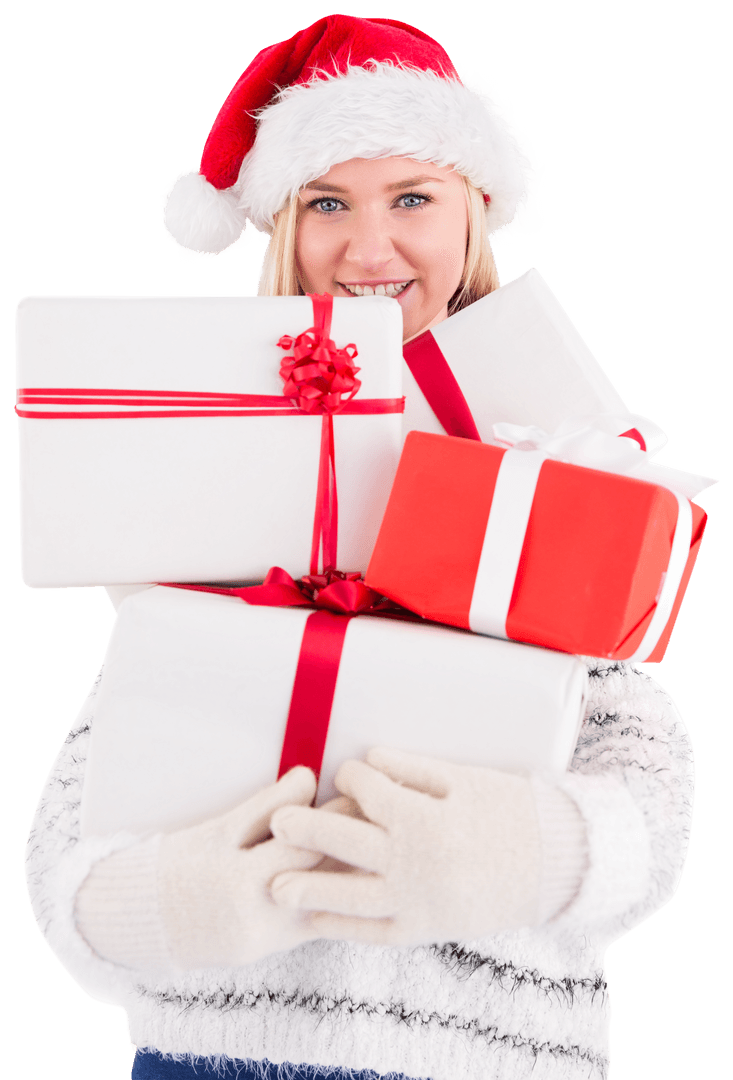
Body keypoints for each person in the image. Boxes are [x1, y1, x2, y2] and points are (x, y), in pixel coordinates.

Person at [24, 15, 695, 1080]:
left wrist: (532, 851)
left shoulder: (549, 446)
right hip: (211, 1054)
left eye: (411, 199)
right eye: (328, 202)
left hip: (495, 1054)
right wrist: (163, 903)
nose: (368, 248)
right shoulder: (199, 466)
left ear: (476, 211)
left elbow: (642, 769)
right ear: (282, 226)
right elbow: (83, 805)